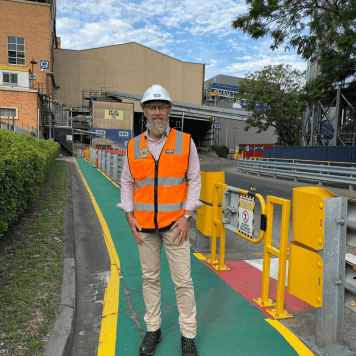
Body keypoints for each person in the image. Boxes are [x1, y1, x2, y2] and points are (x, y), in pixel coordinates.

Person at [117, 85, 202, 356]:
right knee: (149, 279)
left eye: (161, 106)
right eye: (152, 107)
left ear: (169, 110)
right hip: (144, 227)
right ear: (144, 111)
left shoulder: (185, 141)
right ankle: (153, 329)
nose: (156, 112)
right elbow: (127, 182)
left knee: (183, 281)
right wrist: (129, 213)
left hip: (176, 226)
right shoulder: (133, 145)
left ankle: (188, 335)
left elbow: (195, 180)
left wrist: (187, 216)